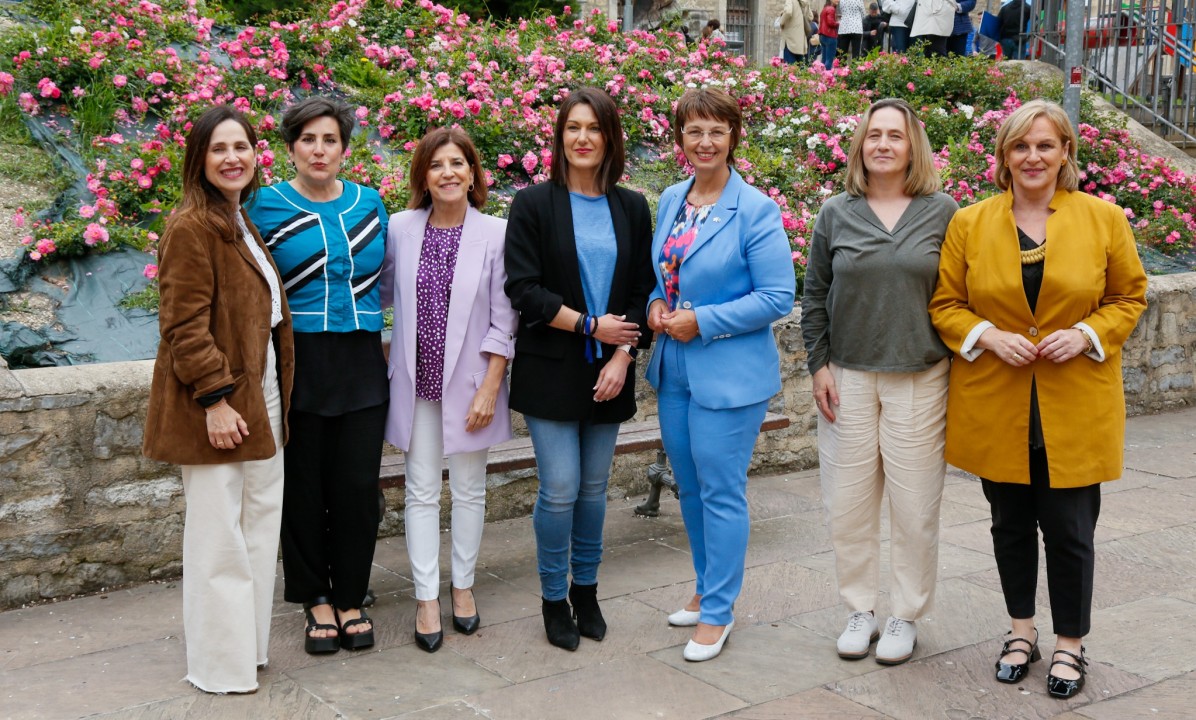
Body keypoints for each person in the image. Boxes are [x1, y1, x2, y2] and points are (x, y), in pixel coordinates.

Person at [929, 99, 1148, 698]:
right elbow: (946, 304)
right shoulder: (970, 222)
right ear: (1003, 156)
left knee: (1071, 530)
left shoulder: (1104, 219)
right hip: (996, 400)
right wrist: (987, 335)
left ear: (1065, 152)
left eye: (1045, 145)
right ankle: (1021, 632)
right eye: (1020, 146)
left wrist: (1086, 334)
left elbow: (1129, 296)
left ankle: (1070, 643)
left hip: (1075, 402)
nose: (1033, 156)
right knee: (1009, 525)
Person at [801, 98, 958, 666]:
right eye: (874, 135)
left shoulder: (943, 212)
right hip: (848, 375)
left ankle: (904, 615)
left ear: (913, 146)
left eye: (895, 135)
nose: (883, 144)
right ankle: (860, 609)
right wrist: (818, 364)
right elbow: (814, 294)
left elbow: (959, 294)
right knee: (848, 503)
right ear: (860, 146)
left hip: (920, 375)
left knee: (914, 505)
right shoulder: (835, 213)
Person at [143, 105, 293, 693]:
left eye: (241, 146)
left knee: (258, 525)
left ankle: (245, 651)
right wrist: (215, 399)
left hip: (261, 391)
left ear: (256, 154)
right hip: (220, 398)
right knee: (218, 534)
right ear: (199, 159)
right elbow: (182, 325)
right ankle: (217, 666)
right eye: (219, 148)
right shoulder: (191, 227)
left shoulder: (237, 219)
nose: (233, 158)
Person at [504, 87, 655, 652]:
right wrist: (592, 327)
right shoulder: (533, 204)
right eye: (573, 127)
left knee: (594, 489)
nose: (583, 138)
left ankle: (585, 591)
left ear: (610, 138)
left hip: (611, 370)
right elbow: (523, 289)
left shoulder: (631, 206)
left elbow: (643, 291)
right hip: (551, 368)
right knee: (561, 487)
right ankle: (553, 599)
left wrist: (622, 355)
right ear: (560, 136)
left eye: (594, 128)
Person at [649, 87, 796, 663]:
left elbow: (777, 296)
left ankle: (719, 612)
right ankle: (706, 587)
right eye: (694, 131)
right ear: (680, 139)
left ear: (734, 136)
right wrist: (655, 306)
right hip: (674, 367)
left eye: (716, 130)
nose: (705, 142)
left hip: (730, 372)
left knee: (721, 490)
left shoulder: (755, 209)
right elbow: (665, 275)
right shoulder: (671, 198)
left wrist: (702, 321)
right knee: (689, 486)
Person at [245, 96, 388, 654]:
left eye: (330, 139)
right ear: (290, 148)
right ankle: (316, 599)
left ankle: (351, 596)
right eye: (308, 139)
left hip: (360, 361)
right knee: (302, 488)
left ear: (344, 148)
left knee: (356, 488)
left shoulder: (369, 203)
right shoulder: (262, 206)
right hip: (297, 361)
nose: (319, 150)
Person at [380, 127, 518, 653]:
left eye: (458, 162)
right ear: (423, 176)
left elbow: (505, 319)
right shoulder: (400, 228)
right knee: (419, 491)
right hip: (415, 384)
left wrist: (491, 387)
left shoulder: (496, 233)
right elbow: (380, 293)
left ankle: (462, 587)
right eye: (436, 165)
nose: (448, 173)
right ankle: (425, 597)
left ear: (473, 172)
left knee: (468, 490)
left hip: (472, 386)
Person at [819, 0, 841, 66]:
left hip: (822, 35)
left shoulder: (824, 8)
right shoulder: (831, 9)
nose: (838, 0)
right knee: (829, 60)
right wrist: (838, 23)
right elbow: (830, 22)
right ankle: (827, 72)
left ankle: (822, 72)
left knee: (824, 59)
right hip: (830, 35)